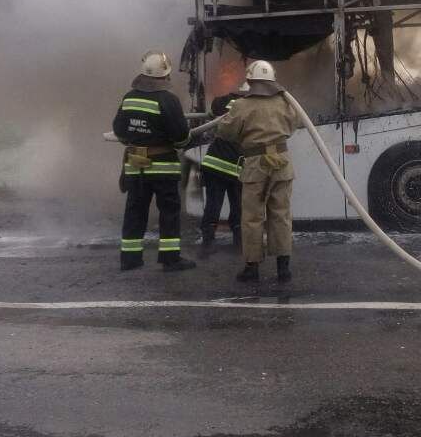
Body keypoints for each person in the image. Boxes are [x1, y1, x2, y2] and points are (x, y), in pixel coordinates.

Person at [215, 60, 302, 283]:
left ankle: (252, 268)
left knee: (253, 217)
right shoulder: (285, 101)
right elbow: (295, 123)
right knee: (281, 214)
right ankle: (284, 268)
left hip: (255, 164)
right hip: (281, 162)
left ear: (250, 80)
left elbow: (225, 131)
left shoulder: (241, 105)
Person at [112, 50, 196, 272]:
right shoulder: (168, 100)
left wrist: (135, 139)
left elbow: (119, 131)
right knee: (168, 211)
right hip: (163, 168)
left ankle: (129, 259)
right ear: (165, 76)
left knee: (134, 211)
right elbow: (180, 137)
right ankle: (170, 259)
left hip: (135, 166)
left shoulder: (129, 98)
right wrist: (185, 140)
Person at [199, 81, 247, 248]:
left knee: (213, 204)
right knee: (238, 205)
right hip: (234, 167)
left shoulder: (226, 102)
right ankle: (239, 240)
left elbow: (214, 109)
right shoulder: (253, 107)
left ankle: (207, 240)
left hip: (213, 164)